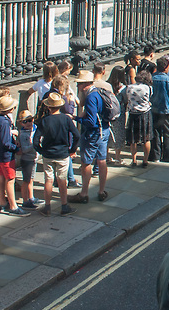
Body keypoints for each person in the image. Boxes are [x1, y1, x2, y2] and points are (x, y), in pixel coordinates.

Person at [32, 92, 79, 216]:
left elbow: (35, 140)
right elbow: (77, 135)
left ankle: (47, 207)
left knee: (48, 179)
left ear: (48, 106)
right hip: (63, 154)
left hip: (48, 154)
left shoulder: (44, 121)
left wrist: (41, 150)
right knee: (62, 179)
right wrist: (72, 149)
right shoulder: (66, 119)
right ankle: (64, 206)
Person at [70, 71, 111, 203]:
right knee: (102, 160)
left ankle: (84, 194)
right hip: (104, 130)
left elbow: (91, 121)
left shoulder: (90, 97)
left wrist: (76, 118)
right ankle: (101, 191)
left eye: (79, 84)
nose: (78, 87)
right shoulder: (98, 92)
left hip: (93, 134)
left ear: (84, 84)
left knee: (86, 162)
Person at [0, 95, 28, 216]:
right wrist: (16, 148)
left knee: (0, 177)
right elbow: (5, 142)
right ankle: (13, 206)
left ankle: (2, 202)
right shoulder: (4, 122)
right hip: (6, 155)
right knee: (10, 180)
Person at [151, 57, 169, 163]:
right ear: (166, 67)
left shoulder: (152, 78)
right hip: (166, 109)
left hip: (154, 109)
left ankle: (155, 156)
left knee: (155, 132)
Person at [15, 110, 41, 210]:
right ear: (21, 123)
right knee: (26, 180)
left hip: (33, 158)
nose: (29, 123)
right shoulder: (24, 134)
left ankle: (31, 197)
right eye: (25, 121)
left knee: (31, 179)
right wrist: (34, 143)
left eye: (30, 120)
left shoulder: (33, 130)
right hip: (27, 160)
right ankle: (25, 200)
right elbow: (25, 149)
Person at [126, 71, 154, 166]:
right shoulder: (148, 88)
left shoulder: (129, 87)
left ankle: (134, 160)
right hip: (145, 113)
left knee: (133, 139)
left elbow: (128, 99)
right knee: (146, 138)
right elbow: (149, 98)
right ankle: (145, 160)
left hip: (133, 113)